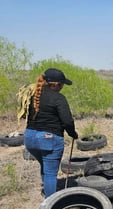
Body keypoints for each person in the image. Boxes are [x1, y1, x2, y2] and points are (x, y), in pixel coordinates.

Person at [24, 68, 78, 198]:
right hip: (48, 138)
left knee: (45, 164)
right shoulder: (58, 98)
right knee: (51, 173)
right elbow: (67, 121)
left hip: (30, 138)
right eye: (62, 84)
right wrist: (73, 134)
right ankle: (51, 203)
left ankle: (47, 192)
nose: (62, 87)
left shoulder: (33, 95)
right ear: (56, 84)